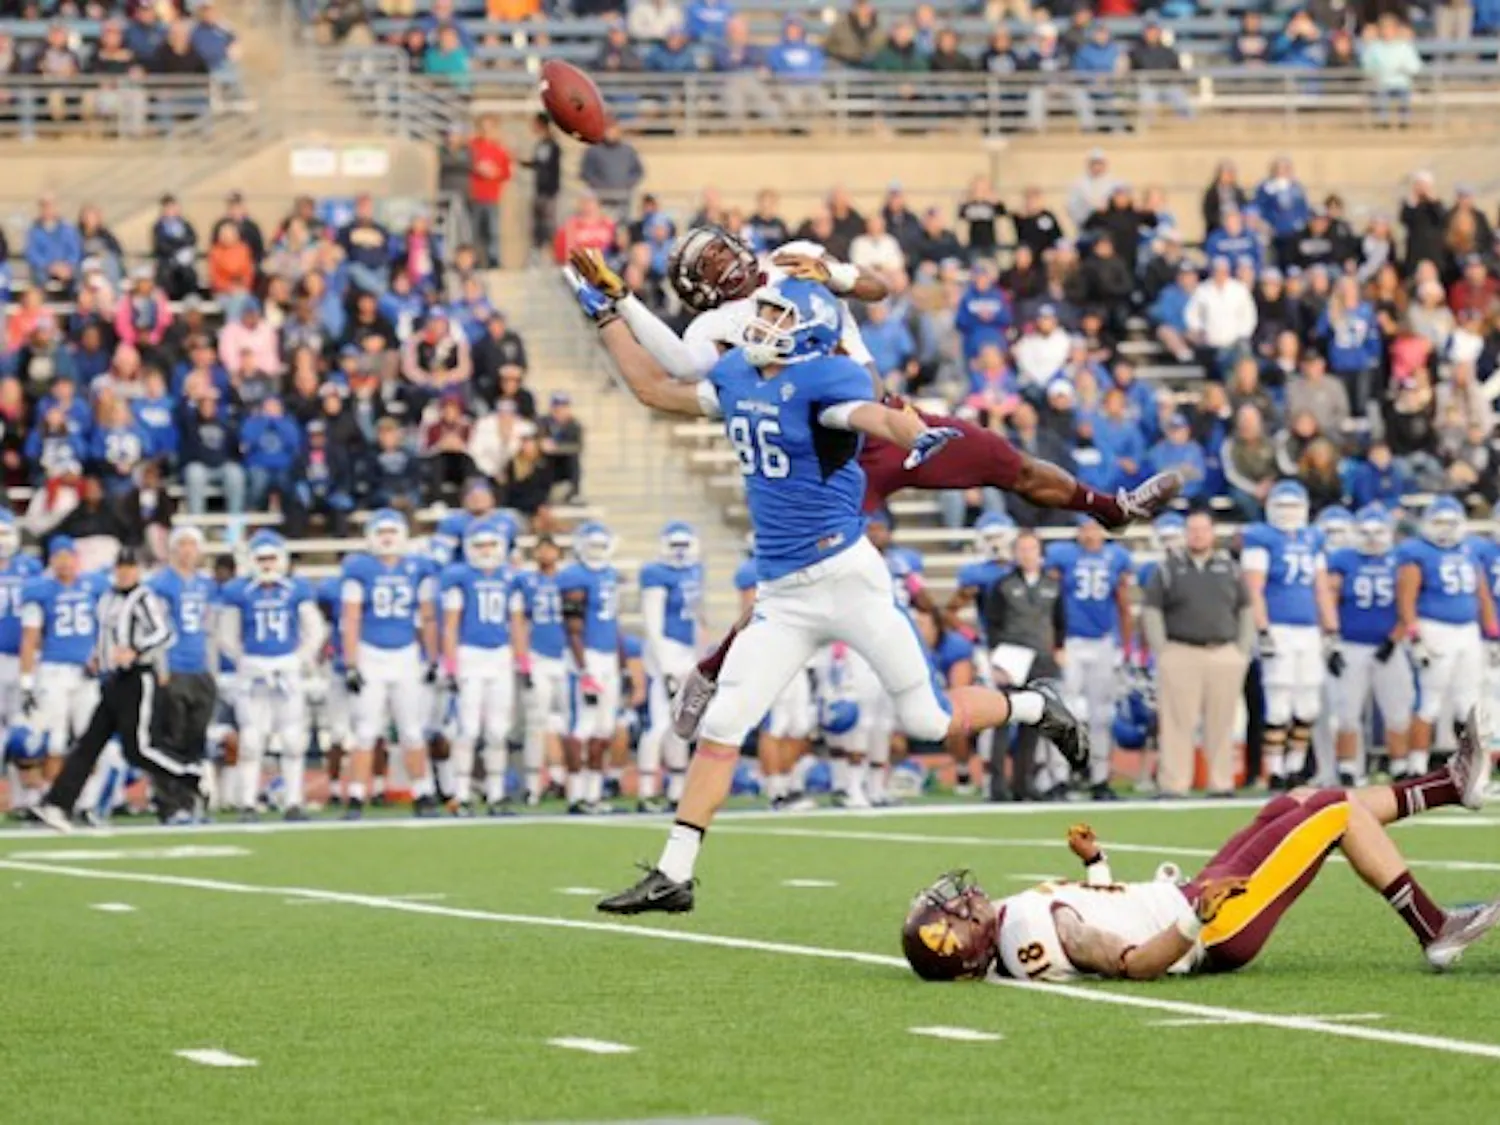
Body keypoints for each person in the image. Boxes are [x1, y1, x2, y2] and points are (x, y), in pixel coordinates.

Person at [576, 276, 1087, 914]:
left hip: (846, 578)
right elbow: (653, 389)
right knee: (725, 722)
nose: (758, 321)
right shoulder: (739, 373)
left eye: (774, 313)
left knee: (926, 719)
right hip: (785, 594)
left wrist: (910, 433)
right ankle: (674, 876)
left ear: (810, 332)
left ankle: (1035, 708)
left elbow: (866, 416)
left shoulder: (824, 381)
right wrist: (607, 317)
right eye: (762, 309)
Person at [568, 231, 1182, 737]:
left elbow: (881, 288)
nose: (729, 262)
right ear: (701, 288)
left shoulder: (793, 257)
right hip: (827, 454)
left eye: (724, 249)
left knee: (1009, 463)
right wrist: (621, 303)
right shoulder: (714, 329)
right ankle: (712, 670)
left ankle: (1110, 508)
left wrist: (833, 275)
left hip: (887, 420)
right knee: (784, 581)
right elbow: (671, 372)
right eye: (712, 264)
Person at [903, 714, 1500, 983]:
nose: (963, 897)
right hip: (1213, 923)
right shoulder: (1030, 926)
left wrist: (1094, 864)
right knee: (1332, 814)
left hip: (1190, 900)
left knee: (1294, 801)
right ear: (965, 940)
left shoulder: (1016, 934)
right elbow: (1130, 962)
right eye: (956, 910)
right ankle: (1435, 929)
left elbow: (1100, 911)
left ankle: (1453, 785)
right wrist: (1197, 916)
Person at [27, 547, 203, 833]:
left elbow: (165, 633)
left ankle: (191, 774)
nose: (124, 572)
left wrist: (135, 650)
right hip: (112, 679)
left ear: (137, 570)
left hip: (137, 678)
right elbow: (104, 634)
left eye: (130, 567)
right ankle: (58, 804)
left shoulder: (144, 597)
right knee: (88, 743)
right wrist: (97, 656)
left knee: (139, 750)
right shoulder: (107, 597)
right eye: (121, 567)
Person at [1142, 511, 1255, 797]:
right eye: (1192, 530)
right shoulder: (1168, 568)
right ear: (1185, 534)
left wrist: (1241, 649)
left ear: (1212, 533)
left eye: (1203, 530)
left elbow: (1246, 608)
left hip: (1223, 652)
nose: (1197, 535)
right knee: (1177, 722)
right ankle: (1174, 784)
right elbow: (1151, 609)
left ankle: (1221, 782)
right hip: (1181, 650)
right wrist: (1162, 650)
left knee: (1222, 721)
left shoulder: (1229, 567)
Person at [340, 509, 440, 818]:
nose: (386, 537)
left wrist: (433, 657)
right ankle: (356, 796)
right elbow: (352, 617)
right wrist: (352, 662)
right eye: (380, 531)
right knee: (366, 731)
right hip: (371, 654)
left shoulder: (417, 568)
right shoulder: (360, 568)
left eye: (392, 531)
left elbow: (427, 616)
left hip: (406, 654)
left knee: (412, 729)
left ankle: (423, 793)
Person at [216, 532, 323, 820]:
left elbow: (314, 630)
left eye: (271, 558)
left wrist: (297, 660)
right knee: (251, 740)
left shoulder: (296, 589)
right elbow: (226, 635)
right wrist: (246, 661)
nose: (266, 564)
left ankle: (293, 802)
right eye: (261, 559)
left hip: (286, 668)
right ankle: (247, 803)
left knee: (292, 739)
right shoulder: (239, 591)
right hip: (254, 669)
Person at [1242, 481, 1339, 790]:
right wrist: (1263, 628)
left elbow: (1321, 587)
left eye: (1293, 507)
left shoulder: (1313, 538)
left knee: (1308, 703)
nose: (1288, 514)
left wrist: (1332, 629)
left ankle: (1296, 767)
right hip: (1279, 627)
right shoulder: (1261, 537)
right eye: (1282, 507)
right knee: (1279, 701)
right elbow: (1253, 588)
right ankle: (1275, 770)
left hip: (1309, 628)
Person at [1395, 496, 1498, 780]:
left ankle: (1468, 766)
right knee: (1429, 700)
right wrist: (1414, 635)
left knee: (1468, 702)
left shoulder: (1470, 549)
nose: (1445, 529)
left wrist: (1492, 632)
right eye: (1439, 522)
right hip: (1434, 629)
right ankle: (1416, 765)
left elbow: (1482, 593)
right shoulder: (1417, 552)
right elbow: (1406, 596)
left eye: (1451, 522)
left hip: (1467, 631)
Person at [1326, 504, 1413, 789]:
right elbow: (1329, 598)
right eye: (1366, 532)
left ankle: (1400, 766)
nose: (1373, 538)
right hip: (1351, 645)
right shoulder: (1343, 559)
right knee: (1347, 712)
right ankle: (1348, 768)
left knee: (1397, 709)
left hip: (1389, 645)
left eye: (1379, 532)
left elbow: (1408, 602)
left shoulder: (1400, 560)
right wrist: (1332, 641)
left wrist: (1395, 638)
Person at [1046, 520, 1132, 800]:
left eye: (1095, 528)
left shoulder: (1117, 557)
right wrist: (1054, 641)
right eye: (1085, 528)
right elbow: (1052, 599)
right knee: (1064, 711)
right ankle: (1059, 776)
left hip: (1103, 640)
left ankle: (1099, 777)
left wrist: (1125, 645)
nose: (1090, 533)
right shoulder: (1063, 555)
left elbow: (1123, 602)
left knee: (1101, 715)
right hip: (1071, 640)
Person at [439, 517, 518, 814]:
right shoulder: (461, 577)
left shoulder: (511, 578)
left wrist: (521, 659)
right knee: (468, 729)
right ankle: (461, 793)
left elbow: (518, 622)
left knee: (498, 730)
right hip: (469, 655)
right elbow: (450, 625)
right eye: (480, 545)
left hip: (500, 655)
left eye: (491, 544)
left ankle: (495, 794)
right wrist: (450, 664)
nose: (486, 550)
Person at [18, 538, 105, 790]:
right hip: (53, 671)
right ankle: (50, 800)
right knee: (53, 740)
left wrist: (101, 658)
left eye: (69, 556)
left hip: (86, 673)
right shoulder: (40, 590)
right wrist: (26, 680)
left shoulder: (95, 586)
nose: (65, 561)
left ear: (77, 559)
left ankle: (87, 800)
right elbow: (30, 637)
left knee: (89, 738)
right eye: (59, 556)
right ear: (51, 560)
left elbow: (106, 629)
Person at [557, 521, 624, 814]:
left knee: (604, 728)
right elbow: (573, 628)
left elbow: (614, 622)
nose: (596, 552)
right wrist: (584, 668)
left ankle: (593, 794)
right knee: (582, 726)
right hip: (587, 658)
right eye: (591, 546)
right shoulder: (574, 577)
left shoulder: (610, 574)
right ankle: (575, 795)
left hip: (608, 656)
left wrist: (620, 662)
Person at [637, 522, 701, 812]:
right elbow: (652, 625)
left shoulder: (694, 570)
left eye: (683, 545)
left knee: (682, 725)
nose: (679, 552)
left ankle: (677, 790)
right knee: (659, 724)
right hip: (665, 653)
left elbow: (697, 618)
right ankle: (647, 790)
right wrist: (664, 667)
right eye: (674, 545)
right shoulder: (655, 574)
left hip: (686, 653)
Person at [147, 526, 219, 778]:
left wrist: (213, 669)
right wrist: (161, 667)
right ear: (172, 549)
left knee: (197, 737)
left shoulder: (206, 585)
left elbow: (211, 629)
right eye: (182, 544)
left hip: (200, 667)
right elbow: (156, 629)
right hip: (174, 666)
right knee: (172, 738)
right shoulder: (161, 583)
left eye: (192, 545)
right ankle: (171, 800)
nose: (187, 551)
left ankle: (192, 797)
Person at [510, 534, 568, 805]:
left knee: (571, 724)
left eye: (551, 548)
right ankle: (533, 784)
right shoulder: (526, 581)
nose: (546, 553)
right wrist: (523, 659)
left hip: (568, 657)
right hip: (540, 657)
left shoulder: (571, 579)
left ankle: (567, 781)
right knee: (536, 722)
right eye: (542, 548)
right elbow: (518, 622)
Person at [0, 512, 42, 811]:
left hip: (27, 659)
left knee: (25, 733)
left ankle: (26, 799)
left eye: (6, 533)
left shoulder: (32, 568)